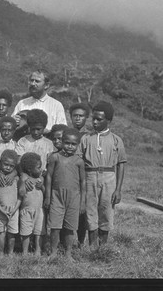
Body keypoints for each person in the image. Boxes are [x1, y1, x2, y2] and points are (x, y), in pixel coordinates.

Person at [77, 101, 127, 248]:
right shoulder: (86, 138)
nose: (95, 122)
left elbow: (121, 164)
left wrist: (118, 189)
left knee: (106, 211)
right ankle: (92, 247)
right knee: (90, 211)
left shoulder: (116, 140)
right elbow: (79, 161)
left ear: (109, 121)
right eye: (93, 118)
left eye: (99, 119)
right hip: (90, 177)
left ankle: (102, 247)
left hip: (109, 178)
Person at [44, 128, 86, 258]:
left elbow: (83, 181)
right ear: (62, 142)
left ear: (78, 145)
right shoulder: (55, 157)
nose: (70, 146)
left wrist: (82, 201)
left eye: (74, 144)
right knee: (55, 226)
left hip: (74, 197)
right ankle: (53, 252)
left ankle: (68, 253)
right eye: (67, 143)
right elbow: (49, 177)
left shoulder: (79, 161)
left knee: (69, 227)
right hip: (57, 196)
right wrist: (48, 196)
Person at [12, 69, 67, 134]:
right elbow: (11, 127)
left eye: (37, 81)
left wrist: (46, 132)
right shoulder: (22, 103)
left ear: (46, 85)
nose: (33, 84)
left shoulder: (56, 105)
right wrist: (13, 121)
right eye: (31, 80)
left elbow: (62, 130)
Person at [68, 102, 91, 247]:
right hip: (69, 176)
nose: (77, 119)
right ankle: (67, 242)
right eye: (75, 116)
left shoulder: (90, 136)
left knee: (83, 212)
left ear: (86, 118)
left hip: (84, 177)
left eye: (81, 116)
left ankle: (81, 242)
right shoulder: (67, 134)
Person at [0, 149, 21, 258]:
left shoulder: (16, 178)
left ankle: (10, 252)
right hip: (1, 210)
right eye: (6, 164)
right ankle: (0, 253)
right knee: (1, 232)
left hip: (13, 211)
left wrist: (14, 209)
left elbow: (20, 197)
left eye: (11, 166)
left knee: (12, 233)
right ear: (0, 163)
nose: (8, 167)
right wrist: (0, 209)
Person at [18, 152, 46, 256]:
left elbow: (44, 192)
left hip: (39, 210)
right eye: (38, 167)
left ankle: (37, 250)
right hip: (27, 210)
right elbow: (21, 192)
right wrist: (24, 183)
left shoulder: (40, 179)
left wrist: (42, 186)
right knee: (26, 232)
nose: (41, 169)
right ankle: (25, 251)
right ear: (30, 169)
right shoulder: (24, 178)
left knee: (39, 231)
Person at [15, 109, 55, 175]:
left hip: (41, 176)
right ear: (29, 127)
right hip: (25, 175)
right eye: (33, 129)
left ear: (44, 127)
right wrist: (23, 174)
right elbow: (19, 161)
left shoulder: (48, 143)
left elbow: (49, 163)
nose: (35, 132)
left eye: (38, 129)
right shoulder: (23, 141)